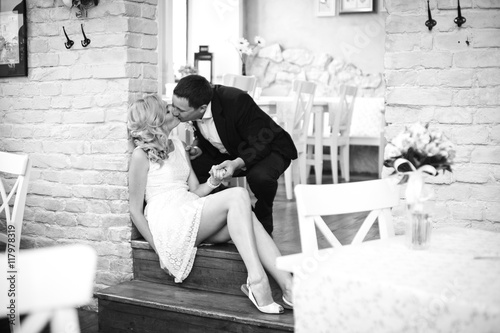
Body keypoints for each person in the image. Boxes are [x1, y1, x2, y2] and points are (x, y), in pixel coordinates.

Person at [127, 94, 293, 314]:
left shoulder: (177, 144)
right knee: (238, 195)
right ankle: (257, 281)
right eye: (168, 110)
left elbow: (195, 191)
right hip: (168, 221)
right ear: (156, 121)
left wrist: (213, 182)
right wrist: (160, 251)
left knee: (248, 216)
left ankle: (289, 287)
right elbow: (135, 211)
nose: (175, 112)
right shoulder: (140, 156)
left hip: (189, 210)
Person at [171, 75, 297, 235]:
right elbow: (211, 133)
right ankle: (239, 214)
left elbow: (261, 142)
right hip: (230, 149)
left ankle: (263, 220)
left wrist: (236, 163)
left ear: (202, 108)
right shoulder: (194, 104)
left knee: (260, 177)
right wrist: (197, 148)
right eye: (173, 105)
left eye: (180, 110)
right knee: (192, 168)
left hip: (270, 147)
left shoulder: (236, 100)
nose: (174, 112)